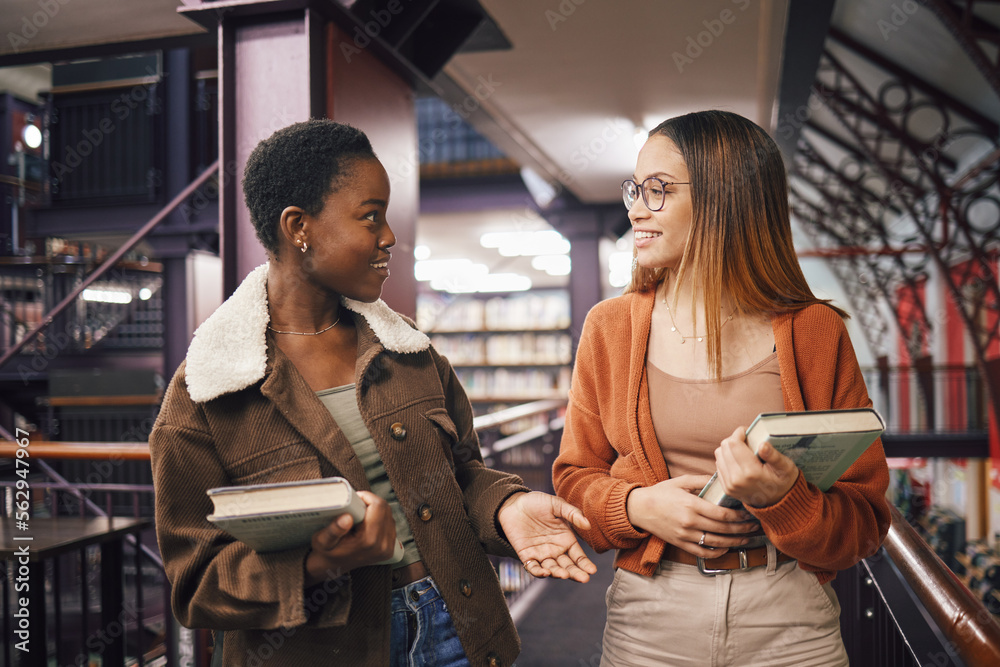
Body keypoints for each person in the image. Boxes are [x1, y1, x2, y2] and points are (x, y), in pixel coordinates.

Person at [149, 118, 596, 667]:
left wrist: (507, 506)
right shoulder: (209, 391)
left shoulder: (408, 352)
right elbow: (195, 584)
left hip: (454, 624)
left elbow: (461, 476)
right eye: (370, 217)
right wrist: (317, 564)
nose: (389, 236)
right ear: (298, 227)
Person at [552, 110, 891, 667]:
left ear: (723, 200)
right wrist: (637, 507)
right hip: (651, 615)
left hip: (790, 617)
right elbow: (572, 480)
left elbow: (865, 522)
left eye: (658, 190)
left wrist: (784, 501)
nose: (635, 207)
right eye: (635, 188)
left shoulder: (815, 331)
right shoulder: (608, 327)